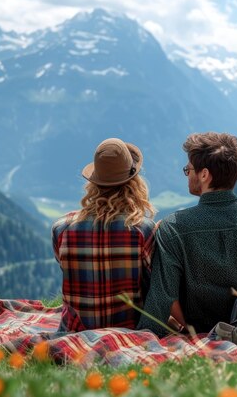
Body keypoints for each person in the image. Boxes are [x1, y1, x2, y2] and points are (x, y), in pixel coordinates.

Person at [137, 132, 237, 336]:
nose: (187, 174)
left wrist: (144, 339)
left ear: (205, 175)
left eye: (188, 169)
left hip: (199, 332)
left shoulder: (174, 227)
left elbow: (163, 298)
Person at [52, 138, 156, 332]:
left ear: (94, 182)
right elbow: (153, 285)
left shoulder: (61, 229)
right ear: (133, 183)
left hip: (75, 331)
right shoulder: (143, 230)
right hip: (128, 330)